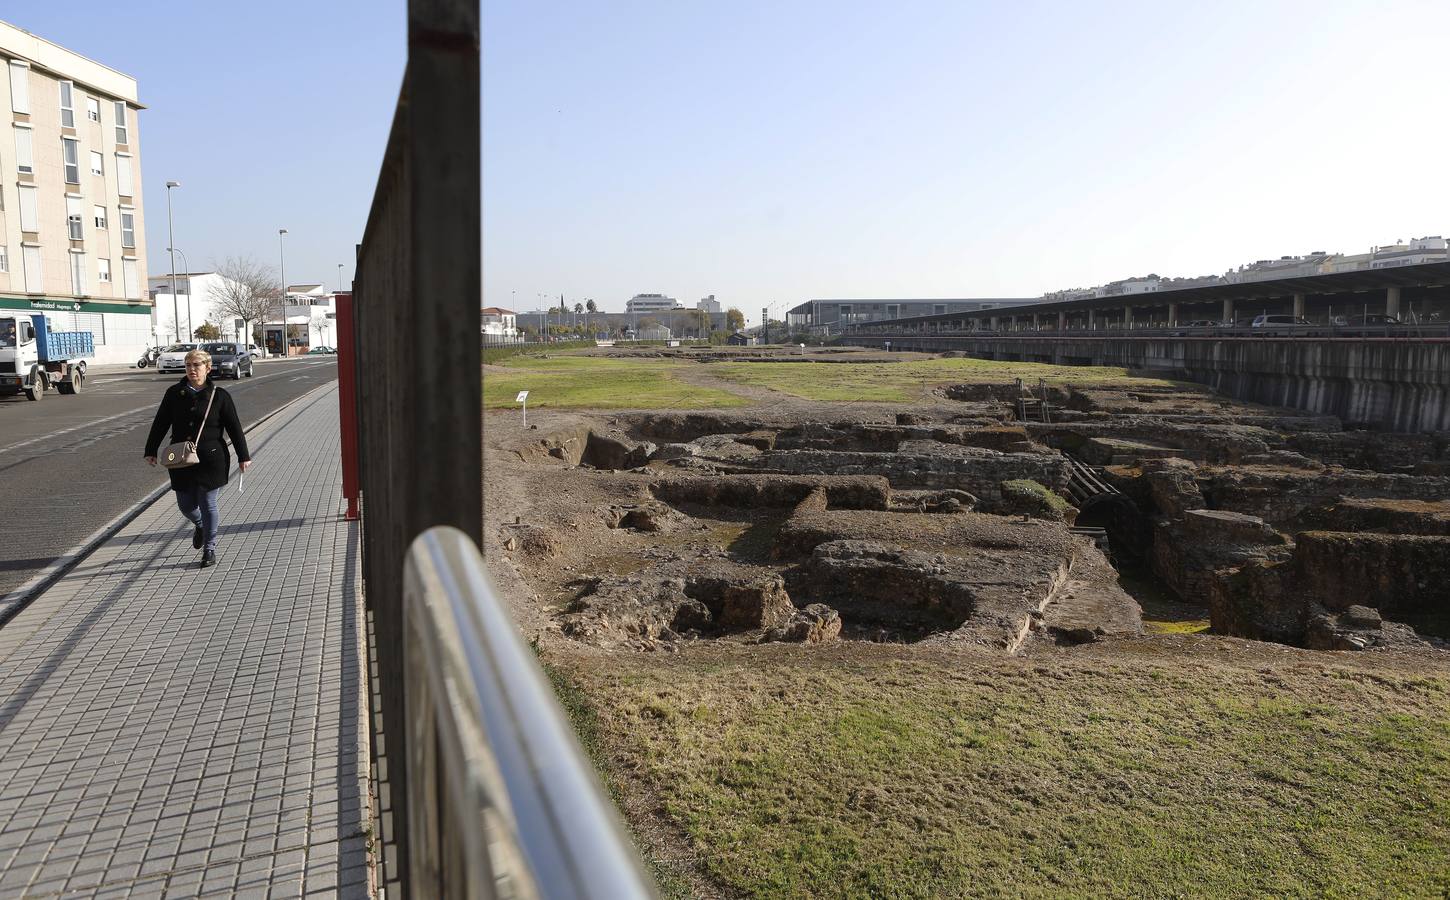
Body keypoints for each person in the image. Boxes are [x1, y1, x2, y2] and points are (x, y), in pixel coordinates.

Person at [144, 348, 253, 567]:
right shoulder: (174, 393)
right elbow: (161, 422)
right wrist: (151, 449)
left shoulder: (220, 396)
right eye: (188, 366)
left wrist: (244, 456)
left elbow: (234, 428)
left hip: (212, 458)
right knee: (185, 505)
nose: (192, 370)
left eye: (197, 365)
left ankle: (209, 549)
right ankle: (200, 524)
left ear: (207, 368)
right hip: (180, 458)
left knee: (208, 501)